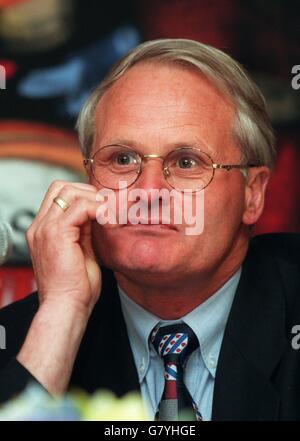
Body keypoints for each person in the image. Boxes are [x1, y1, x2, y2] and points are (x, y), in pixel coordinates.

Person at [0, 38, 299, 421]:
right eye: (122, 159)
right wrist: (64, 312)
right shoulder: (25, 340)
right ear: (88, 179)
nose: (148, 191)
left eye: (188, 162)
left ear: (252, 194)